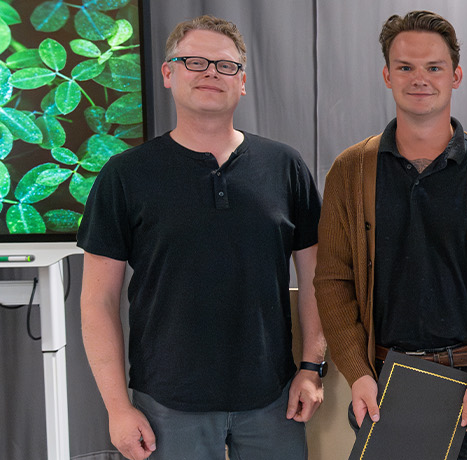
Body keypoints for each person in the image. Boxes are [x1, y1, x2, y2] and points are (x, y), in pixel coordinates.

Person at [78, 15, 325, 460]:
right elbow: (97, 301)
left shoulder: (285, 167)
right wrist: (117, 407)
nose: (211, 72)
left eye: (225, 65)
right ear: (168, 73)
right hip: (167, 405)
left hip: (274, 399)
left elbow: (317, 279)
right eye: (194, 61)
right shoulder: (126, 175)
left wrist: (311, 367)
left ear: (243, 82)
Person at [314, 10, 467, 460]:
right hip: (384, 381)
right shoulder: (350, 171)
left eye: (433, 67)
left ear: (456, 75)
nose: (420, 79)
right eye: (405, 67)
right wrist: (356, 372)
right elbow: (333, 281)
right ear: (386, 75)